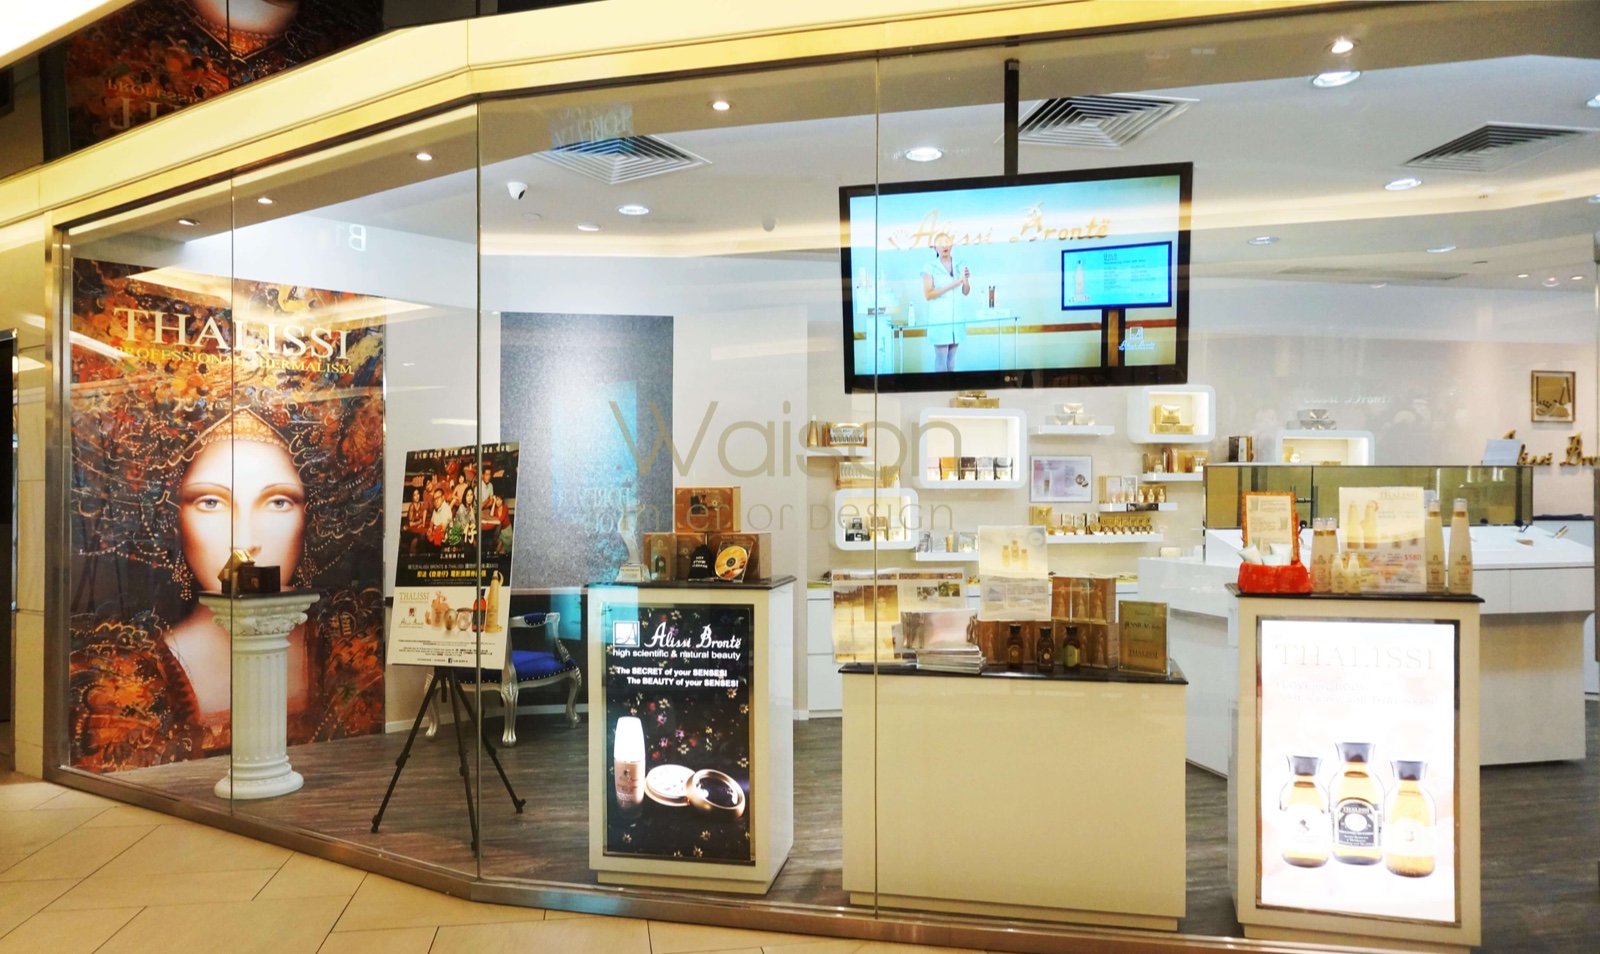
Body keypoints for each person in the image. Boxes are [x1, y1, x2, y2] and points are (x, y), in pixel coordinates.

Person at [160, 409, 312, 731]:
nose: (243, 542)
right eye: (210, 502)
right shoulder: (139, 674)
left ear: (308, 517)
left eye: (279, 502)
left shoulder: (344, 655)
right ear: (175, 517)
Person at [921, 232, 971, 373]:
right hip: (940, 319)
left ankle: (951, 384)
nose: (944, 246)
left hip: (957, 318)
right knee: (941, 357)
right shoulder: (929, 267)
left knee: (952, 359)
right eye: (940, 243)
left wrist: (965, 280)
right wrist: (953, 284)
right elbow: (928, 295)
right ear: (934, 247)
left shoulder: (960, 263)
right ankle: (940, 385)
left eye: (947, 242)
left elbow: (966, 291)